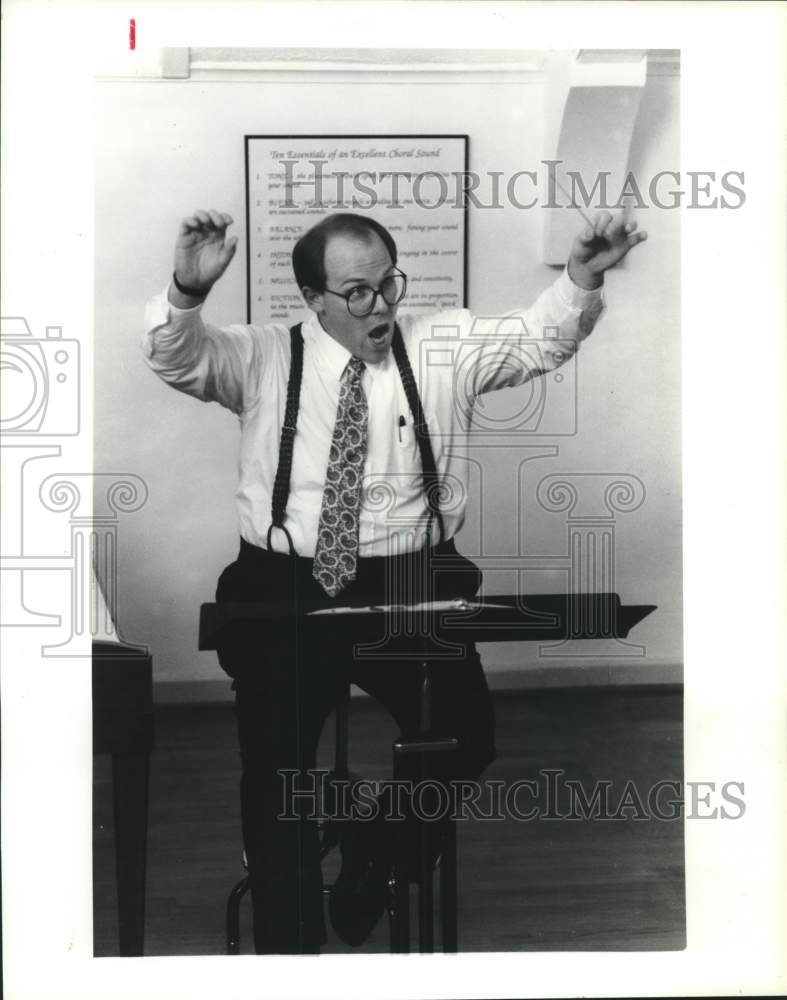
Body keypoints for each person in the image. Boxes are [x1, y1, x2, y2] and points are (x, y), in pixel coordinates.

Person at [142, 207, 646, 954]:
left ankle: (373, 858)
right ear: (313, 298)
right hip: (285, 585)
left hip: (412, 578)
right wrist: (187, 288)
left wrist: (579, 276)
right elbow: (176, 357)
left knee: (464, 738)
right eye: (355, 292)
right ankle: (291, 955)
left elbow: (539, 339)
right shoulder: (259, 355)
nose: (379, 306)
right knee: (277, 776)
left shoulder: (441, 346)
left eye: (387, 284)